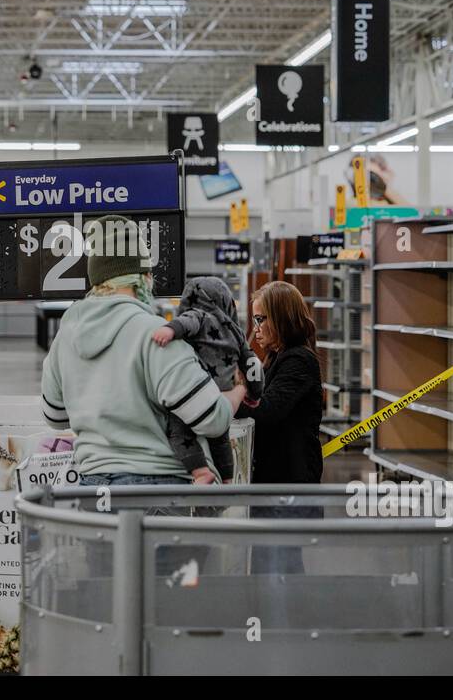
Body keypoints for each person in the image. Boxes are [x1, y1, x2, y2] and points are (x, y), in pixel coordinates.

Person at [40, 216, 247, 491]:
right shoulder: (156, 334)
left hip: (91, 487)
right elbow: (212, 419)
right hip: (156, 489)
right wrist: (239, 391)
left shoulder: (66, 334)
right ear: (142, 278)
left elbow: (54, 415)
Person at [238, 280, 324, 574]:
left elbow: (267, 410)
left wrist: (229, 400)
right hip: (275, 486)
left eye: (261, 319)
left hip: (289, 487)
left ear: (282, 319)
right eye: (254, 319)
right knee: (270, 566)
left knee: (280, 569)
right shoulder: (276, 357)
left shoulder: (298, 360)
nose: (257, 327)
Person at [150, 277, 262, 483]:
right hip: (223, 393)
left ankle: (200, 471)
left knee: (179, 432)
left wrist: (170, 330)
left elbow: (187, 322)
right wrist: (254, 393)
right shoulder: (235, 330)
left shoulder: (199, 314)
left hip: (198, 391)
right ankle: (228, 478)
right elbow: (252, 364)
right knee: (220, 439)